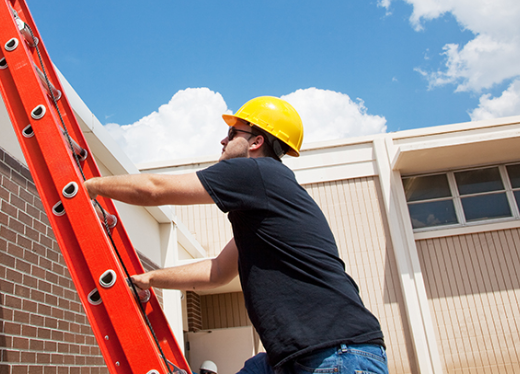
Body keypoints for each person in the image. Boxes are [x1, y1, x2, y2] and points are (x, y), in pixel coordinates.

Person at [84, 96, 388, 374]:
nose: (223, 139)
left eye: (232, 134)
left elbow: (155, 189)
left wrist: (91, 186)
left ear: (255, 142)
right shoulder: (267, 200)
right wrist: (152, 278)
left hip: (336, 355)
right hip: (307, 355)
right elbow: (217, 271)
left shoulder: (256, 173)